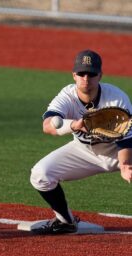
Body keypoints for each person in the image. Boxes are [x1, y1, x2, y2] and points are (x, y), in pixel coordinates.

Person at [30, 49, 132, 234]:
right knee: (40, 174)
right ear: (74, 75)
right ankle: (66, 221)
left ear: (100, 75)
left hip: (117, 151)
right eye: (81, 73)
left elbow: (127, 141)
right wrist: (74, 125)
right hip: (83, 151)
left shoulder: (117, 98)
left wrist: (125, 165)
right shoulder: (67, 96)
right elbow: (47, 125)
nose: (86, 78)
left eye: (91, 73)